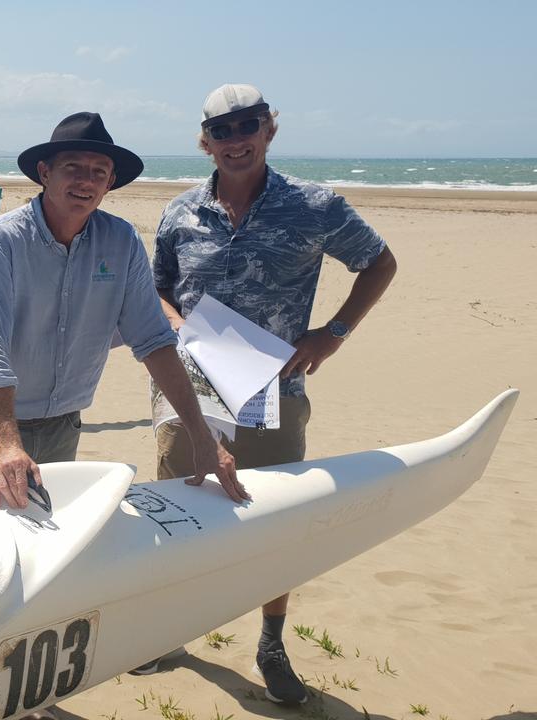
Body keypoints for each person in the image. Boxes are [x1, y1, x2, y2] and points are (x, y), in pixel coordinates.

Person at [153, 84, 398, 703]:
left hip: (273, 389)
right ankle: (166, 631)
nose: (236, 139)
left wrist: (334, 333)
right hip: (190, 391)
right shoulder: (179, 212)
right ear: (204, 140)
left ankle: (270, 641)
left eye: (248, 125)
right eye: (222, 129)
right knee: (176, 506)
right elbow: (154, 287)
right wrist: (178, 326)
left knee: (276, 517)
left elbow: (379, 263)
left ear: (269, 130)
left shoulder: (315, 206)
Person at [0, 111, 245, 514]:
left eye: (99, 171)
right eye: (72, 168)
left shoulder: (120, 240)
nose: (86, 180)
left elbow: (155, 341)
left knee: (49, 546)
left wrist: (201, 436)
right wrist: (8, 446)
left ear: (109, 183)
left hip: (63, 425)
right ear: (44, 172)